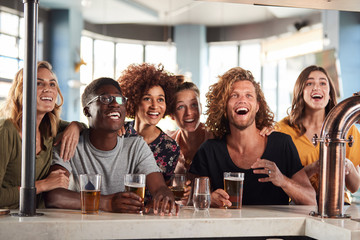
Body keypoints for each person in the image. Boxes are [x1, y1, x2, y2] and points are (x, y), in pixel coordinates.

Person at [45, 77, 177, 215]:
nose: (115, 104)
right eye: (105, 99)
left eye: (120, 99)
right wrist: (106, 202)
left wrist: (164, 196)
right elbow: (53, 196)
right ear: (87, 111)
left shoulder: (136, 146)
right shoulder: (70, 143)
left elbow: (160, 188)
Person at [189, 67, 316, 207]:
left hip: (275, 229)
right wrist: (209, 200)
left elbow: (310, 200)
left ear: (257, 106)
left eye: (249, 95)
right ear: (224, 107)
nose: (242, 100)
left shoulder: (282, 144)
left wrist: (283, 180)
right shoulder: (209, 150)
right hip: (226, 229)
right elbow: (191, 201)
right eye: (234, 95)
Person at [0, 61, 82, 209]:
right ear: (21, 90)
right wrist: (43, 185)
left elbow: (86, 127)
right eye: (39, 83)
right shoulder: (6, 130)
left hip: (35, 222)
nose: (48, 89)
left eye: (52, 84)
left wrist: (75, 126)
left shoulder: (50, 127)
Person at [276, 65, 360, 204]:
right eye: (309, 83)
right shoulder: (282, 129)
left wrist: (348, 166)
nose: (317, 88)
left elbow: (354, 187)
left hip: (338, 204)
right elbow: (281, 181)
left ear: (329, 93)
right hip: (298, 204)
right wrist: (312, 169)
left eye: (322, 83)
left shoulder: (347, 129)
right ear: (299, 91)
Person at [167, 77, 272, 174]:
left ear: (201, 108)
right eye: (180, 107)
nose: (189, 112)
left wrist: (266, 131)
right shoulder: (166, 143)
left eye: (194, 105)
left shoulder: (218, 139)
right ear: (172, 114)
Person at [117, 63, 180, 183]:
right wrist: (75, 126)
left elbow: (163, 191)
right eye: (147, 98)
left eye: (160, 99)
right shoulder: (117, 132)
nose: (155, 106)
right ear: (134, 101)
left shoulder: (170, 148)